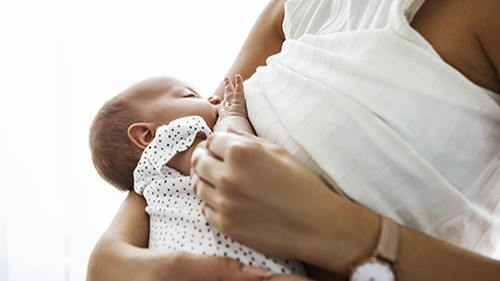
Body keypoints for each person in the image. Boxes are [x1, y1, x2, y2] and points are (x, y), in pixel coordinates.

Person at [87, 0, 500, 280]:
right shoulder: (297, 7)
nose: (206, 97)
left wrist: (345, 232)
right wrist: (111, 259)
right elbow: (182, 155)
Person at [89, 74, 305, 275]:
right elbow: (230, 153)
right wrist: (233, 113)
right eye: (189, 95)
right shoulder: (169, 140)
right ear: (146, 135)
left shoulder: (152, 181)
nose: (213, 98)